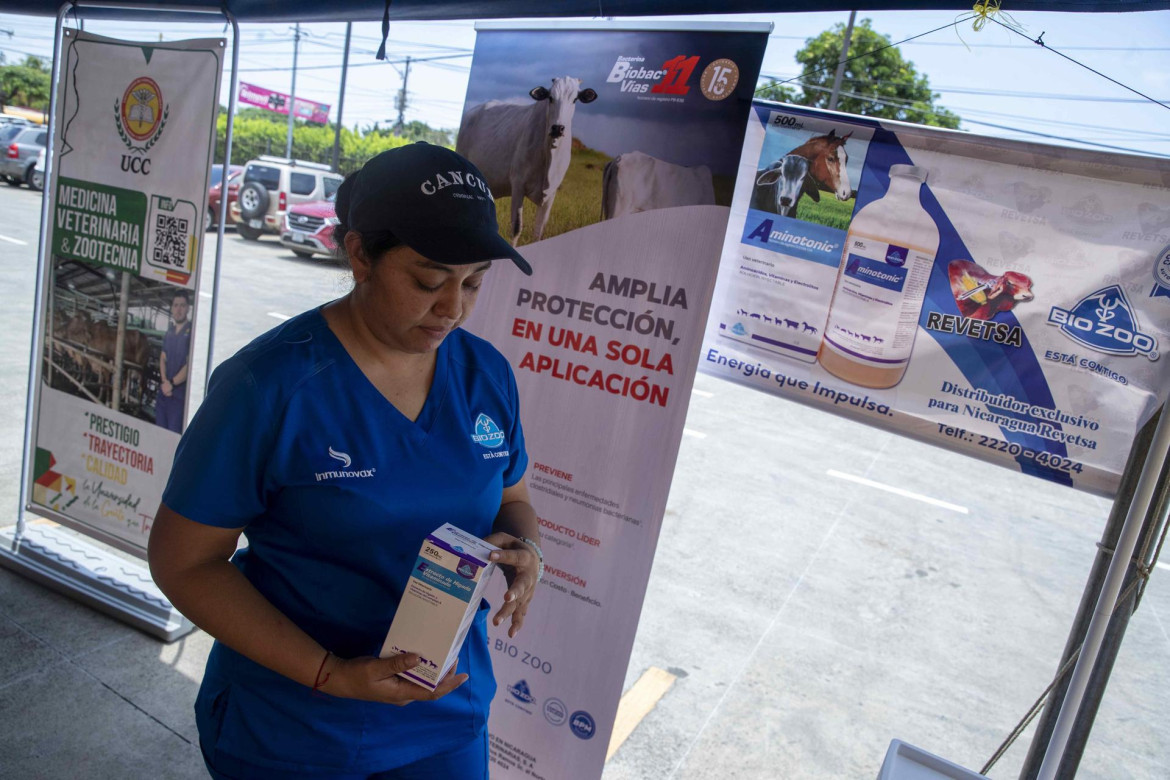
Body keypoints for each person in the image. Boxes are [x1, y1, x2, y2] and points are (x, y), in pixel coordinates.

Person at [148, 143, 543, 780]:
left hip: (444, 713)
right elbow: (183, 562)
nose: (453, 308)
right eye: (427, 280)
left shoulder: (485, 374)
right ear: (359, 253)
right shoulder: (269, 386)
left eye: (472, 282)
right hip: (294, 725)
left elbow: (511, 496)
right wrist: (331, 675)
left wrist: (527, 551)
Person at [155, 290, 192, 433]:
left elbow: (189, 365)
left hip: (178, 396)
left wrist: (171, 383)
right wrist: (164, 381)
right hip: (164, 393)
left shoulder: (191, 332)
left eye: (182, 305)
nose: (179, 309)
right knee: (159, 433)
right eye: (176, 305)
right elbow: (163, 357)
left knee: (172, 436)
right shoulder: (169, 331)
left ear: (188, 308)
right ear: (171, 308)